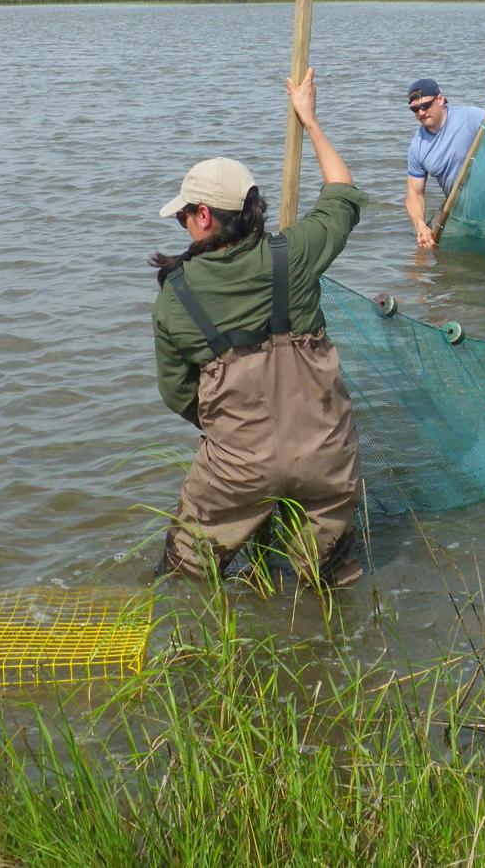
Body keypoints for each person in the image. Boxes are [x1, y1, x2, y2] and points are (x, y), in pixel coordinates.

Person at [150, 67, 365, 587]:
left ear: (203, 215)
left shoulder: (175, 297)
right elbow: (344, 194)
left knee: (182, 584)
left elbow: (177, 394)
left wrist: (241, 437)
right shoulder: (296, 255)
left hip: (235, 468)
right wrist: (310, 121)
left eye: (183, 214)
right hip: (327, 456)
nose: (182, 223)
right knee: (330, 584)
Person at [404, 77, 485, 249]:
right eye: (415, 109)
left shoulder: (471, 117)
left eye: (425, 106)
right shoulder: (417, 146)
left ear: (440, 99)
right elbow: (414, 194)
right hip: (464, 214)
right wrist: (420, 226)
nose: (421, 113)